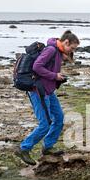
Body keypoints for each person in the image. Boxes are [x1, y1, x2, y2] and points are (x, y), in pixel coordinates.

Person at [15, 30, 79, 165]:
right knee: (45, 123)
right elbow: (37, 66)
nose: (71, 51)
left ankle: (48, 147)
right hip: (38, 91)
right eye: (72, 48)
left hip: (49, 91)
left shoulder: (57, 51)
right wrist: (54, 76)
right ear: (66, 42)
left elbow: (47, 70)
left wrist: (57, 77)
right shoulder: (51, 50)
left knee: (59, 118)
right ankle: (23, 149)